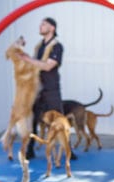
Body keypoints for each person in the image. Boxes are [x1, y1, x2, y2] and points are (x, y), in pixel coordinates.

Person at [21, 17, 76, 160]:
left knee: (60, 120)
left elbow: (47, 66)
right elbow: (34, 65)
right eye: (41, 24)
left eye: (44, 24)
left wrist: (27, 59)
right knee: (33, 119)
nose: (40, 26)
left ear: (52, 28)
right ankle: (30, 149)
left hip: (51, 89)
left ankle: (69, 149)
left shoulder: (57, 46)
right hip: (38, 89)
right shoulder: (39, 47)